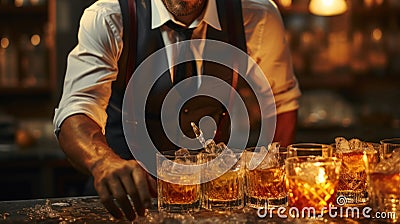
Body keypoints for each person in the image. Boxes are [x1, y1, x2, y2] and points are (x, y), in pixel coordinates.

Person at [53, 0, 301, 221]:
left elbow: (280, 102)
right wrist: (102, 163)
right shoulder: (109, 17)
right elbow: (76, 111)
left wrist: (268, 175)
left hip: (213, 207)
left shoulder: (256, 14)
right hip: (127, 206)